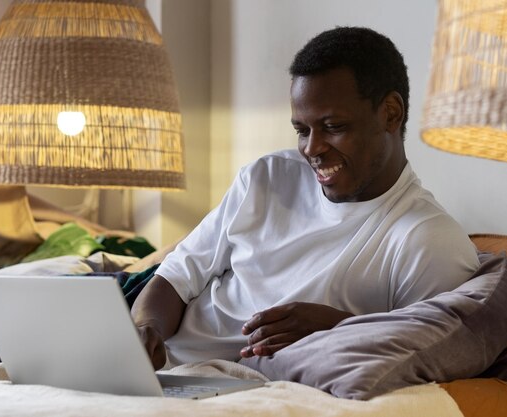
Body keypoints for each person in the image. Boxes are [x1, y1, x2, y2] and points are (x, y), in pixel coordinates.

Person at [131, 26, 480, 370]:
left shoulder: (427, 238)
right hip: (160, 370)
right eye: (302, 130)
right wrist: (145, 332)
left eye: (333, 127)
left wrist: (337, 327)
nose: (311, 149)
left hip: (234, 389)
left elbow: (429, 350)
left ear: (390, 113)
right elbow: (176, 276)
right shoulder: (267, 178)